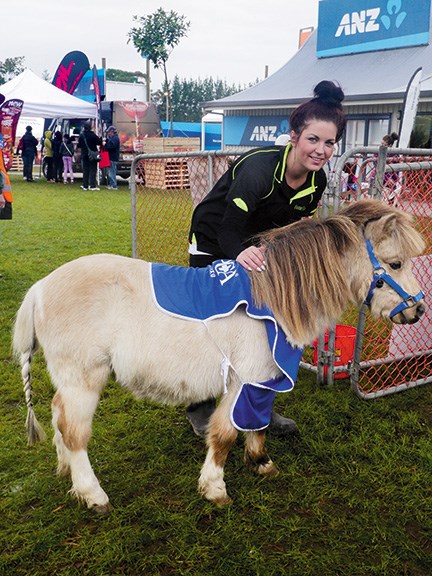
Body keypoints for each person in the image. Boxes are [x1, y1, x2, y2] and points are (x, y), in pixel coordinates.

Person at [186, 80, 347, 438]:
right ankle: (200, 404)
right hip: (215, 241)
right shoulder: (259, 171)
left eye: (330, 142)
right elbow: (229, 230)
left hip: (258, 248)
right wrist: (242, 254)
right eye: (313, 139)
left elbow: (288, 230)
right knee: (215, 324)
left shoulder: (316, 182)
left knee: (265, 325)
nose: (321, 150)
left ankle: (256, 402)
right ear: (294, 136)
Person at [78, 120, 102, 191]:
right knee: (93, 170)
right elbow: (99, 142)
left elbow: (79, 145)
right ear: (90, 127)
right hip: (92, 155)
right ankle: (92, 185)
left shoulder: (81, 135)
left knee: (85, 170)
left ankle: (85, 185)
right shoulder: (92, 135)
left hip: (84, 155)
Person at [381, 131, 400, 204]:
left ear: (390, 145)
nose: (382, 146)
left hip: (391, 181)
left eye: (384, 144)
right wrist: (388, 178)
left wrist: (393, 180)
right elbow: (378, 166)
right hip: (381, 178)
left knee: (390, 199)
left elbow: (396, 170)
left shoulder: (394, 154)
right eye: (381, 144)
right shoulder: (379, 152)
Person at [104, 125, 120, 190]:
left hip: (113, 157)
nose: (108, 133)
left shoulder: (115, 138)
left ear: (112, 132)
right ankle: (111, 184)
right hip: (111, 157)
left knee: (112, 172)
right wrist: (107, 140)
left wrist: (105, 144)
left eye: (109, 132)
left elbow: (111, 146)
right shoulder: (114, 138)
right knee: (110, 172)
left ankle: (113, 185)